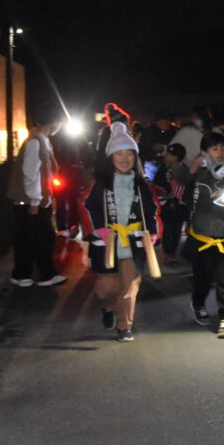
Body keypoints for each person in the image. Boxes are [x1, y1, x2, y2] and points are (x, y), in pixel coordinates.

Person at [79, 122, 162, 342]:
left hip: (133, 243)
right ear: (110, 157)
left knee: (130, 287)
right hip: (109, 243)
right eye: (119, 154)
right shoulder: (100, 185)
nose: (125, 159)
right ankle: (108, 306)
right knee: (107, 287)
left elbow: (152, 210)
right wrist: (100, 229)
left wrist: (152, 232)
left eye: (129, 154)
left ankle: (125, 326)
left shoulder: (142, 185)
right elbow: (90, 207)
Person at [187, 132, 224, 338]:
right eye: (214, 148)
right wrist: (191, 172)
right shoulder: (198, 175)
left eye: (222, 148)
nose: (219, 152)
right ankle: (198, 302)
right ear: (204, 152)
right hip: (201, 236)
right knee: (202, 277)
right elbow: (184, 196)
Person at [6, 105, 67, 287]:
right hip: (29, 201)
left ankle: (43, 273)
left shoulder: (42, 139)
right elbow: (29, 174)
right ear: (54, 121)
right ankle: (23, 274)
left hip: (38, 200)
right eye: (61, 122)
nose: (61, 127)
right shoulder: (35, 141)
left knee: (42, 237)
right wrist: (34, 200)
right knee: (30, 237)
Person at [152, 143, 191, 263]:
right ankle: (168, 252)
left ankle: (171, 252)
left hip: (177, 205)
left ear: (175, 157)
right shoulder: (164, 168)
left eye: (168, 154)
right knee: (169, 228)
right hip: (167, 204)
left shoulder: (182, 170)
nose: (166, 156)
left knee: (174, 229)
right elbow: (157, 185)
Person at [169, 105, 224, 169]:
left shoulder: (216, 131)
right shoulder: (186, 131)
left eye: (197, 117)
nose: (193, 120)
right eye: (193, 117)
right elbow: (171, 149)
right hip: (191, 172)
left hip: (216, 171)